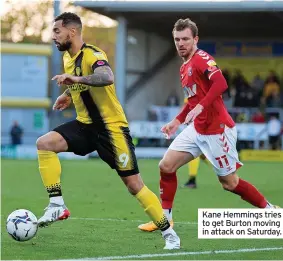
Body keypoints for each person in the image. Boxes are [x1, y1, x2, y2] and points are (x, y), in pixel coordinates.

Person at [36, 12, 180, 249]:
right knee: (44, 143)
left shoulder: (93, 54)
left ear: (72, 32)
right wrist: (67, 95)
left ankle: (169, 234)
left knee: (134, 186)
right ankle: (56, 205)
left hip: (112, 130)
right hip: (85, 125)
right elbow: (80, 83)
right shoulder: (68, 59)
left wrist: (73, 79)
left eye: (57, 31)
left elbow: (106, 77)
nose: (53, 36)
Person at [138, 18, 279, 232]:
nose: (180, 43)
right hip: (197, 129)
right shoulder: (184, 67)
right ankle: (164, 220)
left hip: (217, 130)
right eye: (177, 39)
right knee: (166, 166)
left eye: (185, 39)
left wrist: (201, 108)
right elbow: (192, 101)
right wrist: (176, 121)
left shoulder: (202, 58)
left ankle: (269, 211)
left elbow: (220, 83)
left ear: (195, 39)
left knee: (229, 183)